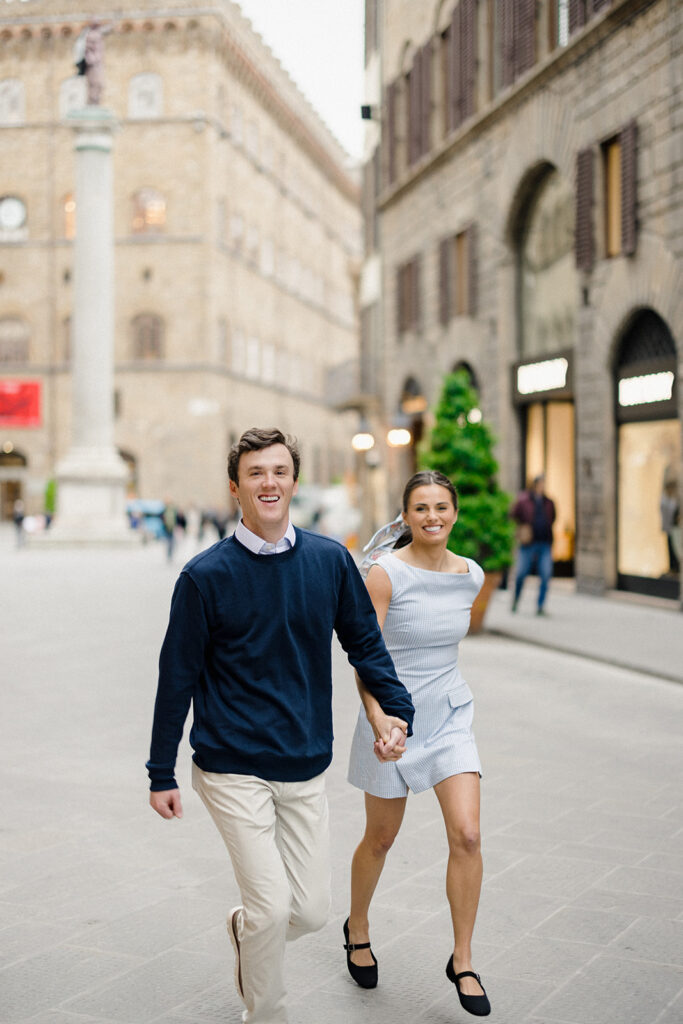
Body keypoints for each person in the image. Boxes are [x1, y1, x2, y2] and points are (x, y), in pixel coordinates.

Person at [146, 427, 415, 1024]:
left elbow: (366, 648)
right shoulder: (204, 576)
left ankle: (246, 932)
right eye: (255, 474)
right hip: (230, 765)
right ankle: (265, 1014)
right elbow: (177, 677)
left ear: (293, 481)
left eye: (279, 471)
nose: (269, 483)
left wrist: (397, 712)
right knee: (272, 906)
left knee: (312, 913)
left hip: (303, 763)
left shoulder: (328, 561)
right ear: (236, 488)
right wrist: (159, 769)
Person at [345, 470, 491, 1018]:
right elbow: (366, 658)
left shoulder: (471, 575)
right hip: (392, 721)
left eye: (442, 507)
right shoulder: (384, 575)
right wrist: (382, 720)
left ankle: (464, 958)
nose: (433, 517)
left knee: (469, 835)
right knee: (380, 840)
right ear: (405, 516)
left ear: (455, 513)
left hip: (450, 715)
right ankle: (357, 925)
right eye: (421, 508)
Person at [510, 473, 556, 615]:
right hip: (528, 543)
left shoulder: (548, 502)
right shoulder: (524, 500)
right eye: (540, 483)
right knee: (521, 574)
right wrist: (522, 527)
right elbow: (513, 514)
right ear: (535, 484)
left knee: (546, 574)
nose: (542, 486)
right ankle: (516, 600)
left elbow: (553, 517)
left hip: (545, 542)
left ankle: (540, 606)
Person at [660, 479, 680, 575]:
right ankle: (673, 568)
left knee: (675, 549)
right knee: (671, 549)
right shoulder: (664, 500)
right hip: (670, 528)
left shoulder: (673, 500)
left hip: (674, 529)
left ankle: (675, 568)